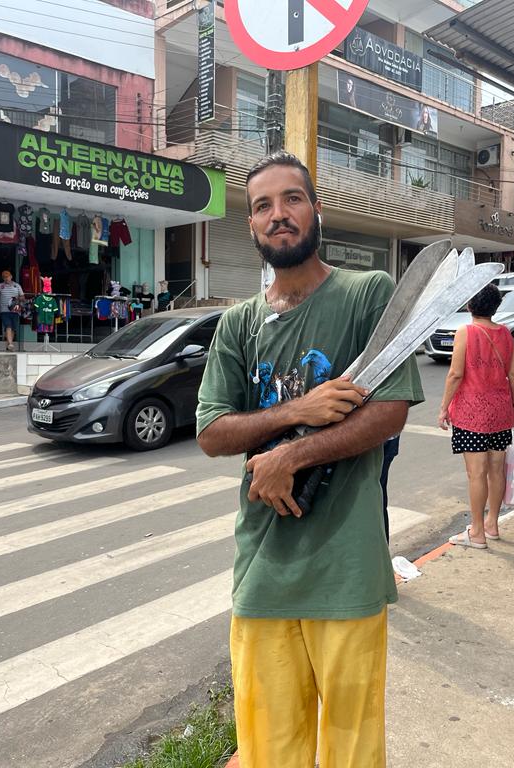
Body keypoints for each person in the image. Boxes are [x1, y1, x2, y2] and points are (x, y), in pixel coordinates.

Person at [196, 151, 423, 767]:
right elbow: (213, 432)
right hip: (263, 570)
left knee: (352, 749)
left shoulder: (364, 294)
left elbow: (390, 409)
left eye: (291, 199)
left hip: (345, 568)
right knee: (270, 749)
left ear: (316, 210)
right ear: (250, 226)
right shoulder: (238, 325)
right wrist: (295, 416)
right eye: (263, 206)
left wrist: (289, 456)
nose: (278, 215)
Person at [438, 283, 514, 548]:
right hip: (500, 412)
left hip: (471, 414)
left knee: (476, 474)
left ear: (470, 304)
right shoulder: (506, 334)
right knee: (496, 469)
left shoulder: (466, 332)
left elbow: (455, 374)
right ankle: (492, 524)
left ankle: (476, 532)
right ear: (495, 306)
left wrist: (443, 408)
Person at [0, 270, 25, 351]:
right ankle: (11, 344)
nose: (6, 279)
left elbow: (23, 297)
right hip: (4, 310)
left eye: (7, 277)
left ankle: (9, 345)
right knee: (8, 326)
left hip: (15, 310)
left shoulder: (17, 286)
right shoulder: (0, 286)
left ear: (11, 276)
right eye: (4, 277)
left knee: (12, 328)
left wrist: (17, 298)